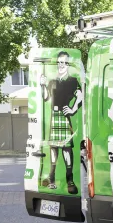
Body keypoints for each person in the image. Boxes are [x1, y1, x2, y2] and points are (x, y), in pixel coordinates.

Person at [40, 51, 83, 194]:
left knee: (66, 148)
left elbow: (80, 96)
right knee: (53, 148)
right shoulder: (52, 81)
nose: (60, 65)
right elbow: (46, 98)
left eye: (63, 62)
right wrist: (42, 85)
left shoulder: (72, 80)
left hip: (64, 116)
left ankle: (70, 180)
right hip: (54, 115)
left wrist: (72, 109)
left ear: (68, 64)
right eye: (59, 62)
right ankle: (51, 178)